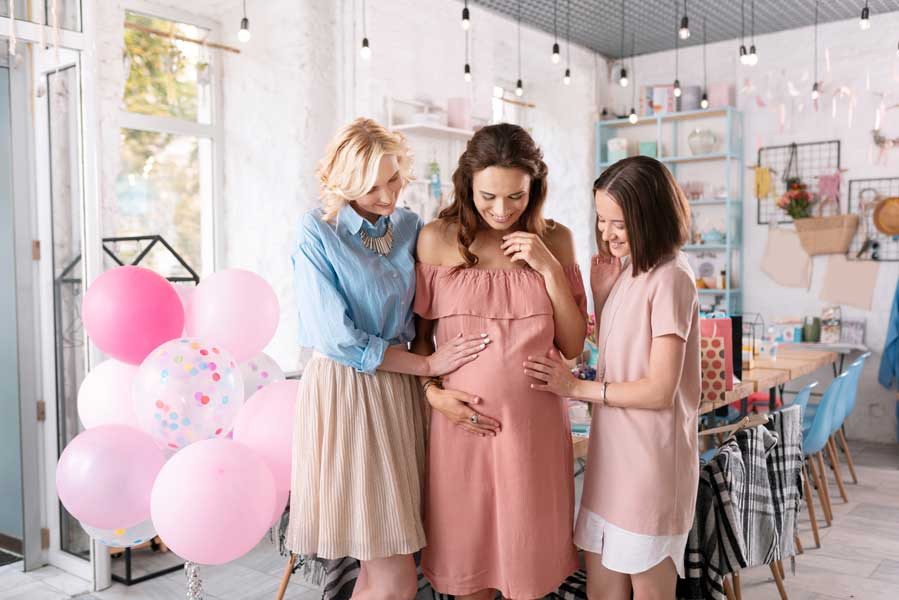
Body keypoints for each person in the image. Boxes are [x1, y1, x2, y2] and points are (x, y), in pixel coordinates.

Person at [286, 118, 490, 599]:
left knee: (385, 562)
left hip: (399, 393)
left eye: (394, 179)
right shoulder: (317, 231)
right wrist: (425, 367)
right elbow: (335, 336)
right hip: (348, 391)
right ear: (344, 181)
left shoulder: (410, 226)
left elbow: (428, 303)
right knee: (394, 566)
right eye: (371, 186)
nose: (387, 195)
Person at [412, 123, 587, 599]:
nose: (502, 209)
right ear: (468, 184)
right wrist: (434, 397)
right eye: (489, 195)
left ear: (535, 188)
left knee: (528, 574)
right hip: (460, 430)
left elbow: (573, 346)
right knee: (468, 570)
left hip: (535, 432)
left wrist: (548, 267)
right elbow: (420, 343)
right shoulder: (436, 239)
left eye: (516, 196)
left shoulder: (559, 239)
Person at [524, 155, 701, 600]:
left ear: (650, 217)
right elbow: (621, 355)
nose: (606, 234)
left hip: (650, 467)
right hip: (611, 462)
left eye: (618, 223)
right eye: (601, 221)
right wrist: (602, 299)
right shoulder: (628, 272)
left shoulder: (672, 279)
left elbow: (660, 389)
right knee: (603, 592)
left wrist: (574, 388)